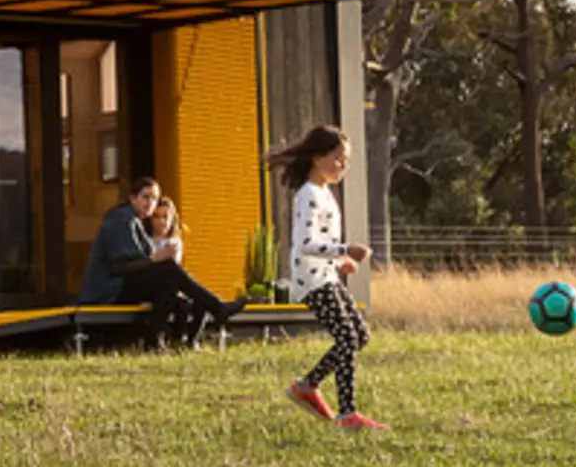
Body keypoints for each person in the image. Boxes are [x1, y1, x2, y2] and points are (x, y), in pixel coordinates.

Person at [270, 125, 381, 431]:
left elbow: (320, 241)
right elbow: (304, 244)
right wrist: (346, 248)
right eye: (338, 158)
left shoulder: (324, 193)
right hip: (311, 280)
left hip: (326, 275)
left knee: (360, 336)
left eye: (345, 160)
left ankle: (306, 387)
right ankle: (348, 414)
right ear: (318, 159)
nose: (343, 165)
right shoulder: (308, 195)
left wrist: (340, 260)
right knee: (347, 338)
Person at [78, 176, 248, 349]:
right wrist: (155, 259)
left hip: (122, 285)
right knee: (168, 270)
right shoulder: (120, 220)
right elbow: (119, 267)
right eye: (146, 197)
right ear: (133, 198)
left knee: (169, 282)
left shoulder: (135, 222)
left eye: (154, 199)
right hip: (109, 291)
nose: (150, 203)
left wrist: (156, 260)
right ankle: (217, 308)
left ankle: (156, 340)